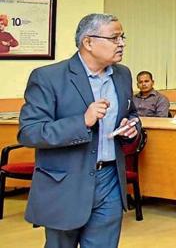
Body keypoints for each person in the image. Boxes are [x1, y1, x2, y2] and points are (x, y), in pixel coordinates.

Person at [18, 13, 140, 248]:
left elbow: (131, 114)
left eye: (122, 37)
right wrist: (82, 121)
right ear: (88, 42)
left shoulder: (123, 75)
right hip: (66, 181)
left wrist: (131, 127)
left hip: (110, 178)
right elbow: (30, 132)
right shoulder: (48, 77)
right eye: (114, 38)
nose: (122, 43)